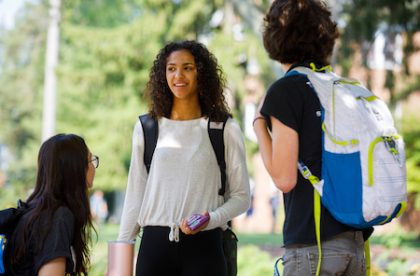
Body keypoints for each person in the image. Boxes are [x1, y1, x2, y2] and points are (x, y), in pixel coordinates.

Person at [254, 0, 372, 275]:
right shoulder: (340, 88)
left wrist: (259, 124)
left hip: (314, 248)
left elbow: (284, 179)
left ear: (275, 37)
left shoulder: (287, 90)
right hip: (354, 244)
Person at [118, 40, 251, 276]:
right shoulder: (147, 127)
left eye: (188, 67)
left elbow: (241, 197)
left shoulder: (224, 128)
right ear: (163, 74)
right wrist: (120, 260)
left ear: (202, 73)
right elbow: (134, 196)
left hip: (205, 247)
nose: (178, 75)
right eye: (171, 68)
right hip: (154, 248)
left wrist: (211, 218)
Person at [6, 134, 97, 275]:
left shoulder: (33, 210)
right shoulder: (58, 217)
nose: (93, 166)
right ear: (76, 168)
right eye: (90, 160)